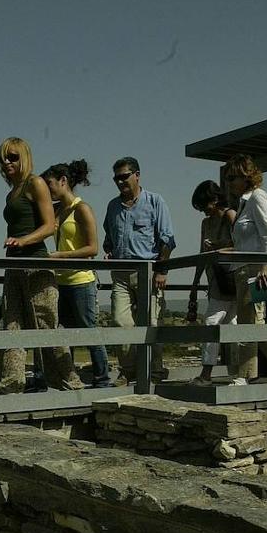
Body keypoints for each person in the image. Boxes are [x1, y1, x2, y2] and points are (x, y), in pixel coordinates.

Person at [0, 139, 81, 394]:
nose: (7, 163)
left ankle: (68, 382)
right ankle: (11, 382)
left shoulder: (35, 183)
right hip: (14, 264)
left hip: (36, 263)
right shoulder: (12, 192)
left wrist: (23, 241)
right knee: (12, 322)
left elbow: (50, 226)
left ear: (25, 157)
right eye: (3, 158)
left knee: (46, 324)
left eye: (13, 157)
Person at [218, 154, 267, 385]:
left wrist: (266, 264)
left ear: (246, 176)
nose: (229, 183)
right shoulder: (243, 202)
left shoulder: (258, 197)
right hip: (243, 267)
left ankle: (245, 374)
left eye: (232, 178)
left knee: (248, 323)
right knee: (254, 322)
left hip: (254, 268)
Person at [101, 157, 175, 384]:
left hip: (148, 271)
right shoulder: (113, 206)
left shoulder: (155, 201)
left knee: (152, 323)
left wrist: (161, 271)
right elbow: (108, 239)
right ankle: (129, 370)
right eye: (116, 178)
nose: (120, 181)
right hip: (121, 273)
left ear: (137, 175)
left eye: (124, 176)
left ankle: (155, 371)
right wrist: (109, 252)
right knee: (120, 322)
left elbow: (167, 240)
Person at [43, 160, 111, 388]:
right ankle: (68, 378)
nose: (47, 190)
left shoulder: (82, 208)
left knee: (88, 330)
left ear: (63, 181)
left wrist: (60, 256)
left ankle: (102, 379)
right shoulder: (56, 210)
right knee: (64, 333)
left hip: (81, 280)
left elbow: (93, 248)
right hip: (60, 281)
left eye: (49, 184)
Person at [185, 180, 236, 385]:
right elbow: (201, 254)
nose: (203, 211)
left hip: (233, 277)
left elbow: (241, 245)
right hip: (216, 280)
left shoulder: (229, 216)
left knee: (212, 323)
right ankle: (240, 372)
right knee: (232, 326)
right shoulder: (206, 223)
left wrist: (217, 247)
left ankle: (207, 374)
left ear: (214, 200)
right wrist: (195, 285)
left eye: (204, 205)